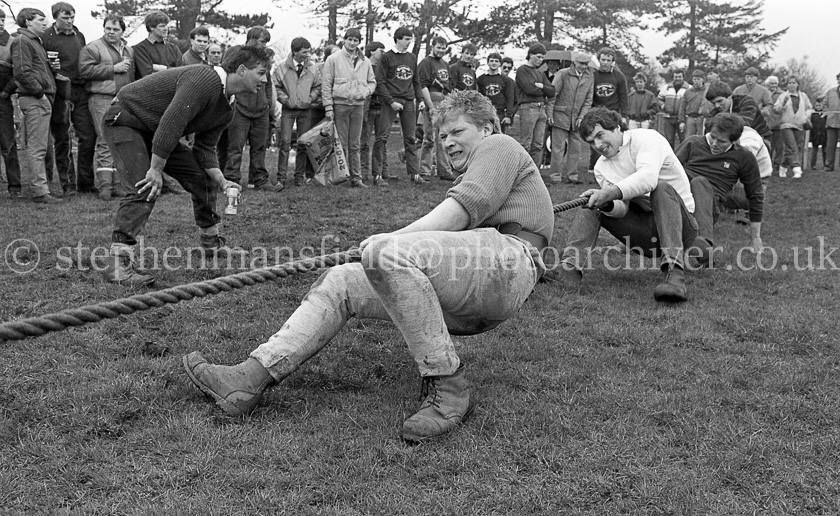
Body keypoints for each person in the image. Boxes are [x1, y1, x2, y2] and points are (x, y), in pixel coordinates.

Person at [182, 90, 555, 442]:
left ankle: (448, 386)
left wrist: (386, 243)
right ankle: (248, 378)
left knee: (385, 253)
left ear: (487, 127)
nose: (447, 142)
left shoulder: (500, 145)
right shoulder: (479, 167)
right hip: (474, 287)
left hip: (509, 263)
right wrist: (383, 250)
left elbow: (459, 212)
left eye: (457, 131)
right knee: (342, 279)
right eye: (442, 136)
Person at [101, 46, 270, 286]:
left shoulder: (227, 106)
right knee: (144, 185)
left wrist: (222, 181)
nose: (265, 80)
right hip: (124, 120)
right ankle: (117, 263)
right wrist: (155, 170)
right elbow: (172, 123)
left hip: (154, 130)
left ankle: (211, 244)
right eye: (261, 73)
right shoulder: (205, 79)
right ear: (242, 70)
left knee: (204, 179)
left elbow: (205, 149)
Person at [552, 107, 697, 302]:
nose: (598, 145)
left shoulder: (647, 138)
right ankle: (569, 270)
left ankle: (675, 276)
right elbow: (621, 209)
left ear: (616, 128)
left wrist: (608, 193)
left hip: (682, 229)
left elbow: (648, 179)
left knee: (661, 188)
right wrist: (605, 203)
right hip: (646, 235)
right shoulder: (601, 167)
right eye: (591, 142)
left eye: (600, 135)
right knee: (592, 203)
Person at [677, 113, 764, 268]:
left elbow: (755, 195)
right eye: (713, 137)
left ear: (734, 141)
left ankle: (704, 246)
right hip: (679, 199)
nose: (714, 144)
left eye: (722, 141)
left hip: (709, 205)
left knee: (699, 182)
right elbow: (669, 169)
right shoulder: (693, 143)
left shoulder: (743, 157)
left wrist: (755, 237)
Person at [78, 12, 134, 201]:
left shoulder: (129, 50)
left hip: (122, 100)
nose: (111, 32)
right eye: (108, 28)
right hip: (101, 98)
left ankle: (118, 185)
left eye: (115, 29)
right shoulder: (92, 47)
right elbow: (84, 71)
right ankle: (104, 187)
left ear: (122, 31)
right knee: (104, 139)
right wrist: (112, 69)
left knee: (119, 140)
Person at [43, 1, 97, 195]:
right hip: (60, 90)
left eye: (72, 17)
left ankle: (86, 182)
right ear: (55, 17)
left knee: (88, 136)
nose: (69, 21)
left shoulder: (78, 35)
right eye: (65, 17)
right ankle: (68, 184)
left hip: (81, 89)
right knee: (63, 138)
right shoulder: (46, 37)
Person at [12, 8, 61, 203]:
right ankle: (40, 192)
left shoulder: (34, 41)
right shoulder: (22, 41)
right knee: (37, 146)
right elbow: (22, 72)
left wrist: (51, 69)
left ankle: (42, 188)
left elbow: (32, 70)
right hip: (34, 99)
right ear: (27, 21)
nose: (45, 23)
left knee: (43, 146)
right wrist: (40, 93)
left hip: (39, 98)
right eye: (40, 19)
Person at [322, 27, 376, 188]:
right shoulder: (333, 59)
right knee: (340, 143)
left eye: (356, 40)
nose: (352, 43)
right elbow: (326, 84)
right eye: (350, 39)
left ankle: (356, 178)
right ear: (344, 40)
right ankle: (339, 176)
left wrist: (365, 92)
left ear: (359, 42)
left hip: (358, 106)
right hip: (340, 105)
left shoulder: (365, 61)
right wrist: (328, 107)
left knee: (355, 144)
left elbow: (372, 81)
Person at [223, 26, 274, 190]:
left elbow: (268, 81)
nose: (264, 45)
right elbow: (227, 74)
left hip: (261, 109)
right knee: (235, 147)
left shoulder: (263, 57)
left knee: (260, 147)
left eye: (266, 42)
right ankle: (232, 179)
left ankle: (259, 180)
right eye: (262, 41)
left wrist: (267, 101)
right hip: (239, 108)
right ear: (251, 39)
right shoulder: (236, 53)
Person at [373, 26, 425, 184]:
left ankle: (414, 174)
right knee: (382, 137)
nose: (409, 42)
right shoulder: (387, 57)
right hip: (390, 101)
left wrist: (420, 100)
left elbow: (416, 81)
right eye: (407, 39)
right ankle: (377, 175)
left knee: (410, 138)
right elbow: (380, 82)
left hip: (408, 101)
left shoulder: (411, 58)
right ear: (398, 39)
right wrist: (391, 102)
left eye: (410, 39)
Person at [274, 37, 319, 188]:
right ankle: (281, 178)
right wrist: (285, 100)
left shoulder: (312, 68)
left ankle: (299, 177)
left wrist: (310, 98)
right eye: (304, 52)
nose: (307, 55)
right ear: (295, 52)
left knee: (303, 144)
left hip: (305, 110)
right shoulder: (282, 68)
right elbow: (275, 86)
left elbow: (318, 86)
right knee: (285, 142)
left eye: (308, 51)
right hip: (288, 110)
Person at [546, 51, 593, 184]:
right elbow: (553, 95)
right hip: (560, 115)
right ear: (574, 62)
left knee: (576, 148)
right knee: (558, 148)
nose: (584, 66)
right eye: (581, 63)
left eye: (586, 64)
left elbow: (588, 100)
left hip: (577, 119)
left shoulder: (590, 77)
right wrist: (549, 113)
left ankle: (572, 176)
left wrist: (582, 117)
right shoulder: (563, 74)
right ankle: (555, 176)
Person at [417, 36, 453, 181]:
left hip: (444, 102)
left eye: (443, 48)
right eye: (438, 47)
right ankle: (425, 170)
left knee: (443, 137)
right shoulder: (426, 63)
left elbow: (448, 85)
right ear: (432, 47)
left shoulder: (444, 64)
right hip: (432, 100)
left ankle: (444, 170)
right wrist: (430, 106)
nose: (441, 50)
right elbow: (423, 86)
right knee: (429, 137)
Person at [515, 43, 555, 167]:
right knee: (526, 143)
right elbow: (530, 89)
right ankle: (521, 171)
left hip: (541, 109)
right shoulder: (522, 70)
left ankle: (534, 172)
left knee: (538, 144)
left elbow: (552, 91)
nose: (540, 60)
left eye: (542, 57)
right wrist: (544, 90)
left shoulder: (540, 73)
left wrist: (541, 86)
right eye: (538, 57)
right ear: (530, 55)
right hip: (528, 107)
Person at [588, 47, 628, 172]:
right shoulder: (593, 76)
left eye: (608, 60)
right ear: (599, 60)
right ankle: (594, 167)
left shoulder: (619, 76)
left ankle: (615, 167)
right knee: (597, 139)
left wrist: (624, 116)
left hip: (613, 114)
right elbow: (589, 96)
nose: (605, 62)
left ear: (612, 62)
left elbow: (624, 97)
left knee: (614, 140)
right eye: (603, 59)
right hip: (596, 113)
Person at [705, 81, 771, 143]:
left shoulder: (746, 101)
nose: (717, 106)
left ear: (730, 96)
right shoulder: (714, 113)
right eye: (713, 103)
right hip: (735, 141)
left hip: (761, 138)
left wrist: (720, 125)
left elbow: (743, 124)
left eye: (720, 101)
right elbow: (708, 130)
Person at [360, 41, 388, 185]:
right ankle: (362, 172)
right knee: (364, 142)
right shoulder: (363, 66)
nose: (383, 53)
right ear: (371, 51)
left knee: (381, 141)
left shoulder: (383, 68)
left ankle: (381, 172)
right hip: (367, 108)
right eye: (380, 51)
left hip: (382, 107)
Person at [773, 75, 812, 179]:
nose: (791, 85)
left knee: (794, 148)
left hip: (799, 125)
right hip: (786, 124)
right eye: (789, 83)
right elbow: (776, 109)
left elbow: (809, 108)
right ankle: (796, 169)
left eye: (793, 83)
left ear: (797, 84)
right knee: (791, 147)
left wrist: (805, 117)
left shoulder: (803, 96)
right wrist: (783, 103)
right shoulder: (783, 96)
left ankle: (783, 167)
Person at [0, 9, 22, 198]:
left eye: (1, 19)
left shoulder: (13, 43)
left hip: (3, 101)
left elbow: (19, 73)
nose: (0, 23)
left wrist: (6, 91)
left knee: (8, 144)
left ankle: (15, 187)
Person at [476, 52, 514, 141]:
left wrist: (508, 115)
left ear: (500, 64)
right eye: (491, 61)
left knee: (500, 138)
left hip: (500, 114)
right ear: (488, 63)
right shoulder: (481, 79)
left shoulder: (505, 80)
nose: (494, 63)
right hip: (485, 113)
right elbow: (478, 97)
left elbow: (510, 98)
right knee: (485, 137)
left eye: (496, 61)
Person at [133, 11, 182, 78]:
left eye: (166, 25)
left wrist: (163, 68)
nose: (166, 29)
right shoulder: (140, 49)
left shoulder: (174, 48)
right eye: (162, 26)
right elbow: (147, 75)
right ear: (151, 27)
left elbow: (182, 72)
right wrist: (173, 71)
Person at [657, 69, 686, 148]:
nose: (677, 79)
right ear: (673, 77)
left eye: (679, 77)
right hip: (668, 118)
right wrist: (663, 106)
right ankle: (670, 155)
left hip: (682, 119)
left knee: (683, 140)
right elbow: (659, 99)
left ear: (683, 77)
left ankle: (682, 155)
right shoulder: (666, 87)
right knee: (669, 141)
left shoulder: (688, 88)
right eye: (676, 77)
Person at [763, 75, 785, 175]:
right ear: (768, 84)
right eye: (772, 83)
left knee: (779, 146)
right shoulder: (764, 92)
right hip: (766, 123)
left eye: (775, 83)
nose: (774, 85)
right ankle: (767, 164)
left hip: (778, 123)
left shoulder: (782, 94)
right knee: (767, 145)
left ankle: (777, 164)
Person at [679, 69, 706, 138]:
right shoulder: (688, 92)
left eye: (698, 79)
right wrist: (681, 121)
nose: (696, 81)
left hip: (702, 118)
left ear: (702, 79)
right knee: (689, 138)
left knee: (701, 137)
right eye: (695, 79)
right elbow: (682, 107)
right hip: (690, 118)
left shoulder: (706, 91)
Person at [823, 73, 840, 172]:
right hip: (831, 122)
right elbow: (825, 104)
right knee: (830, 146)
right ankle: (828, 166)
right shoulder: (830, 92)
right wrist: (827, 112)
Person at [499, 56, 517, 134]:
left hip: (506, 117)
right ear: (500, 66)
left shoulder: (513, 83)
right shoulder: (494, 79)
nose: (506, 69)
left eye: (509, 68)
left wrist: (510, 114)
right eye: (504, 67)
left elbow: (516, 102)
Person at [809, 97, 827, 171]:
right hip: (815, 135)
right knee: (814, 151)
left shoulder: (825, 115)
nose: (818, 107)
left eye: (820, 105)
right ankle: (813, 165)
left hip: (824, 135)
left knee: (825, 151)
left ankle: (826, 165)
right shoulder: (812, 114)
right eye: (817, 105)